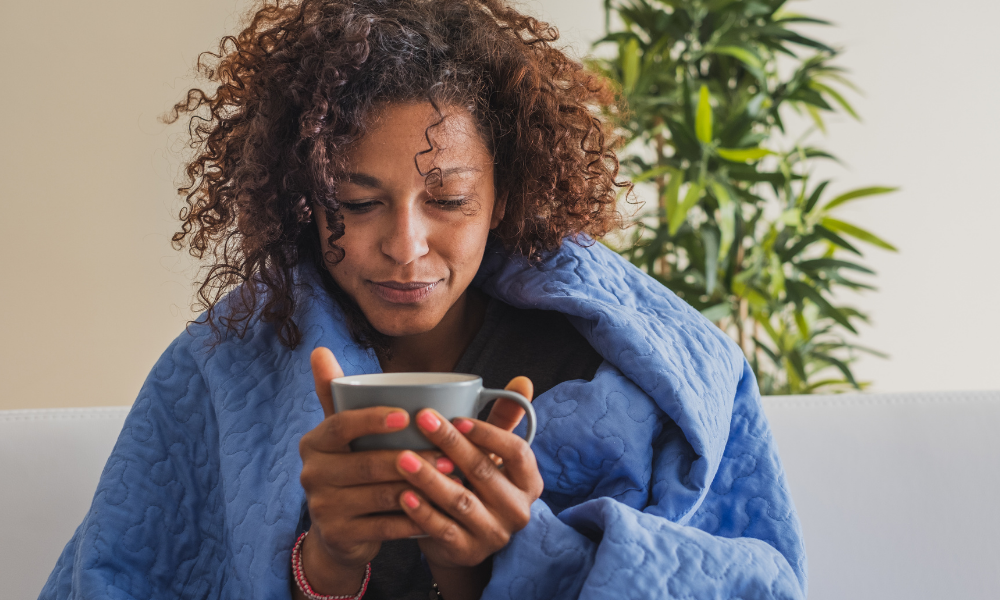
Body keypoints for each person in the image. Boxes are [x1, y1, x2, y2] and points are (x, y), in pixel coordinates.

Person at [41, 1, 807, 599]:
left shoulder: (621, 368)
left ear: (505, 195)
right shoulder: (224, 366)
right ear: (307, 198)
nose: (405, 245)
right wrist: (327, 559)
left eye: (448, 199)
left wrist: (509, 560)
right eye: (358, 200)